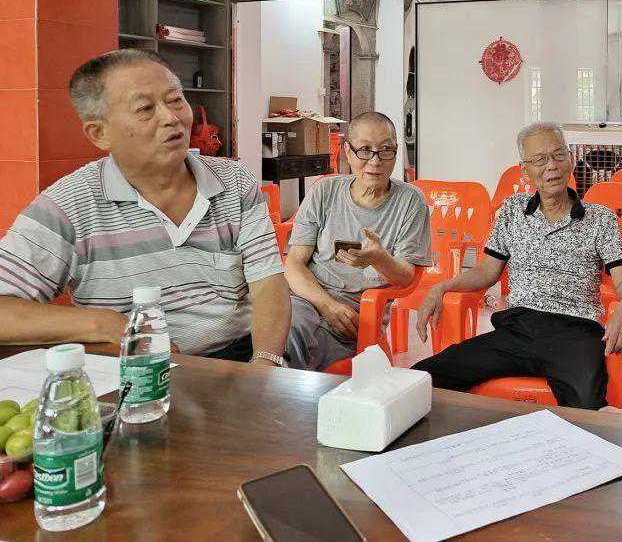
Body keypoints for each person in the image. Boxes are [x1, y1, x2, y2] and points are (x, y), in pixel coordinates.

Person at [0, 49, 291, 366]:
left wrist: (264, 364)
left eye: (175, 100)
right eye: (145, 109)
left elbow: (268, 283)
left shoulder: (234, 181)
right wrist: (104, 324)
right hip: (133, 368)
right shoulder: (69, 205)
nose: (172, 118)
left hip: (236, 360)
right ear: (99, 133)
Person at [411, 122, 622, 410]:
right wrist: (442, 287)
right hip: (517, 330)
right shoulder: (512, 210)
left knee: (587, 408)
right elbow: (488, 270)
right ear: (525, 170)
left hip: (576, 332)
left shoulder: (600, 218)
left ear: (570, 159)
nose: (552, 166)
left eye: (558, 155)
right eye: (539, 160)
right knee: (421, 380)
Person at [284, 112, 431, 371]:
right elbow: (294, 263)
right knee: (277, 329)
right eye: (364, 150)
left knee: (290, 345)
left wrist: (380, 259)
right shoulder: (324, 191)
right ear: (347, 152)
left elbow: (407, 277)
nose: (375, 161)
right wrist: (327, 306)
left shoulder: (410, 201)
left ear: (396, 152)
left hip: (354, 316)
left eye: (385, 150)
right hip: (306, 299)